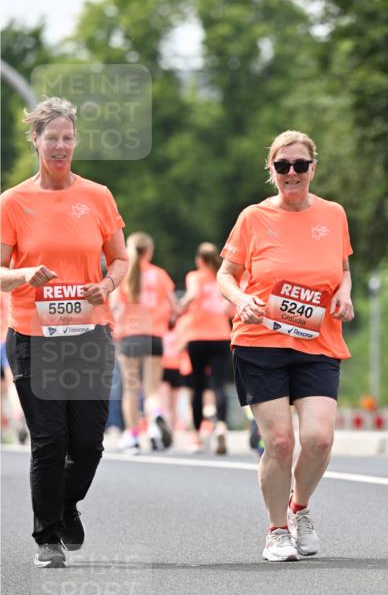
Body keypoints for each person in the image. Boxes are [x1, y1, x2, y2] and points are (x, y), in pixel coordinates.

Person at [0, 97, 127, 567]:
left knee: (88, 444)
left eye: (67, 138)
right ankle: (47, 537)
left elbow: (120, 257)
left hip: (88, 334)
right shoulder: (12, 202)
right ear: (35, 140)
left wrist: (107, 284)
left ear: (76, 141)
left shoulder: (98, 196)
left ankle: (65, 504)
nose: (60, 146)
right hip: (33, 336)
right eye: (51, 137)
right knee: (50, 440)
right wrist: (23, 274)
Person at [218, 130, 354, 561]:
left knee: (318, 439)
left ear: (313, 168)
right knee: (279, 442)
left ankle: (299, 509)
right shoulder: (253, 217)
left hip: (318, 340)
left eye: (299, 165)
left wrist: (345, 293)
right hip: (261, 341)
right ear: (272, 170)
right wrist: (241, 299)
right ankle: (276, 530)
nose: (291, 173)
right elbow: (225, 274)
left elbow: (343, 268)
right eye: (282, 166)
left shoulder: (333, 214)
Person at [112, 232, 178, 453]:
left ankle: (132, 437)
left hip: (129, 337)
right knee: (152, 391)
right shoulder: (159, 275)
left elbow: (116, 308)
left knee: (131, 390)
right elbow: (174, 308)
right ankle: (156, 417)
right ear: (149, 251)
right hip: (154, 336)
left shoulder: (123, 274)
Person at [179, 242, 234, 454]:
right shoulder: (223, 278)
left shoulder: (195, 276)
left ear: (199, 259)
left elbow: (192, 294)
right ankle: (221, 426)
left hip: (197, 337)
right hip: (220, 336)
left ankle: (196, 437)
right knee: (218, 385)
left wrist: (181, 307)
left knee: (198, 386)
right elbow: (230, 309)